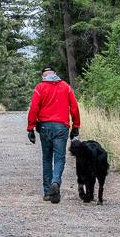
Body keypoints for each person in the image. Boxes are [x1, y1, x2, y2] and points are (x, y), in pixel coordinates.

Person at [26, 66, 80, 204]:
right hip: (62, 127)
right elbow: (74, 107)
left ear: (43, 76)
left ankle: (48, 193)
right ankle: (56, 182)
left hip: (44, 127)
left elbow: (34, 108)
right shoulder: (66, 87)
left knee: (47, 158)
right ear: (55, 74)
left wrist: (31, 128)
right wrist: (76, 126)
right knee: (59, 158)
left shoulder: (40, 87)